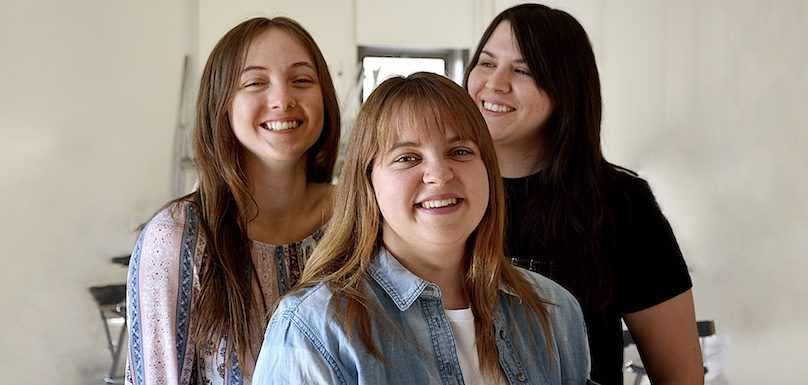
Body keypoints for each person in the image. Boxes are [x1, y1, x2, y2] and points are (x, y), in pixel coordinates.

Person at [251, 72, 594, 385]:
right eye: (407, 158)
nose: (440, 175)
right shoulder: (315, 325)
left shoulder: (553, 310)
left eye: (460, 151)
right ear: (367, 183)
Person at [464, 3, 703, 385]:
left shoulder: (621, 205)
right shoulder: (440, 193)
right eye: (487, 63)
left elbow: (680, 376)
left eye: (522, 70)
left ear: (566, 90)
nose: (495, 83)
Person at [124, 16, 340, 385]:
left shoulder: (360, 217)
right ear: (220, 104)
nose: (282, 99)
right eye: (255, 82)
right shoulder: (178, 238)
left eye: (301, 80)